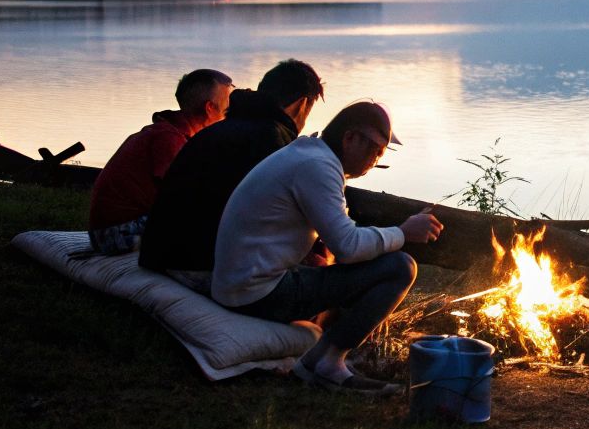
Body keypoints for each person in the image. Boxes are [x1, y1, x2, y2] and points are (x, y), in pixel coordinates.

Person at [212, 101, 442, 394]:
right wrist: (403, 232)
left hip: (242, 281)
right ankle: (326, 365)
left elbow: (343, 237)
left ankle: (324, 356)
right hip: (256, 292)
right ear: (350, 138)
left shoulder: (310, 155)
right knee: (400, 267)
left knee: (368, 265)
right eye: (375, 151)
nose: (376, 160)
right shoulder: (317, 167)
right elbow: (347, 247)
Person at [138, 59, 324, 284]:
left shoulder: (218, 130)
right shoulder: (274, 141)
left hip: (160, 256)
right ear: (302, 104)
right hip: (202, 267)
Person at [86, 68, 234, 253]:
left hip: (114, 230)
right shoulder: (168, 139)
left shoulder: (172, 132)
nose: (229, 112)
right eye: (227, 105)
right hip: (113, 235)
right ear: (210, 108)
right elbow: (180, 195)